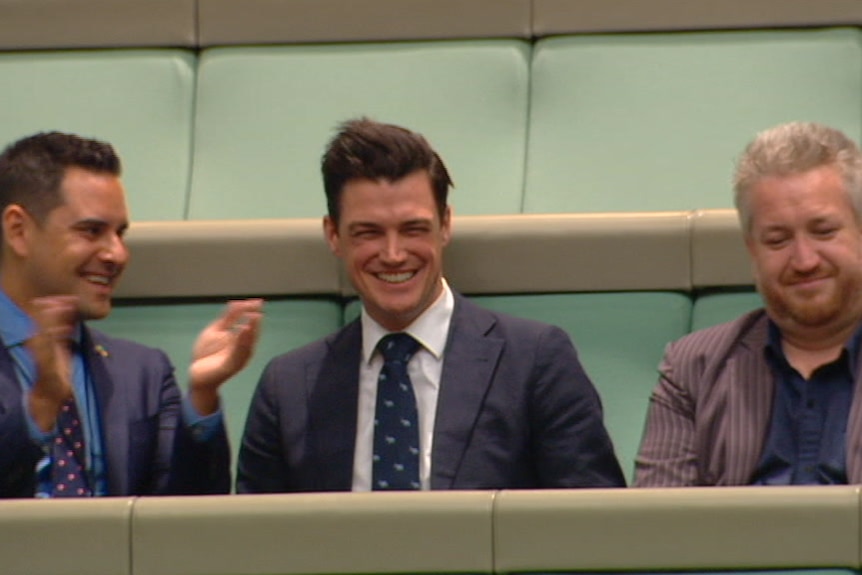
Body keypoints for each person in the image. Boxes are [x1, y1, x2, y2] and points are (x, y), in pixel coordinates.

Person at [238, 118, 624, 492]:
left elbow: (594, 529)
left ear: (446, 226)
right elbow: (251, 544)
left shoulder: (535, 362)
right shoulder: (288, 387)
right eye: (369, 232)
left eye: (413, 229)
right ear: (333, 235)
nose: (393, 254)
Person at [0, 131, 263, 497]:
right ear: (18, 230)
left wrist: (203, 394)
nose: (117, 254)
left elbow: (185, 524)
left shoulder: (143, 373)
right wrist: (41, 407)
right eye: (91, 231)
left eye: (120, 234)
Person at [636, 121, 862, 486]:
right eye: (777, 240)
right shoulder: (692, 369)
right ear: (751, 251)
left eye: (823, 231)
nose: (804, 260)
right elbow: (659, 527)